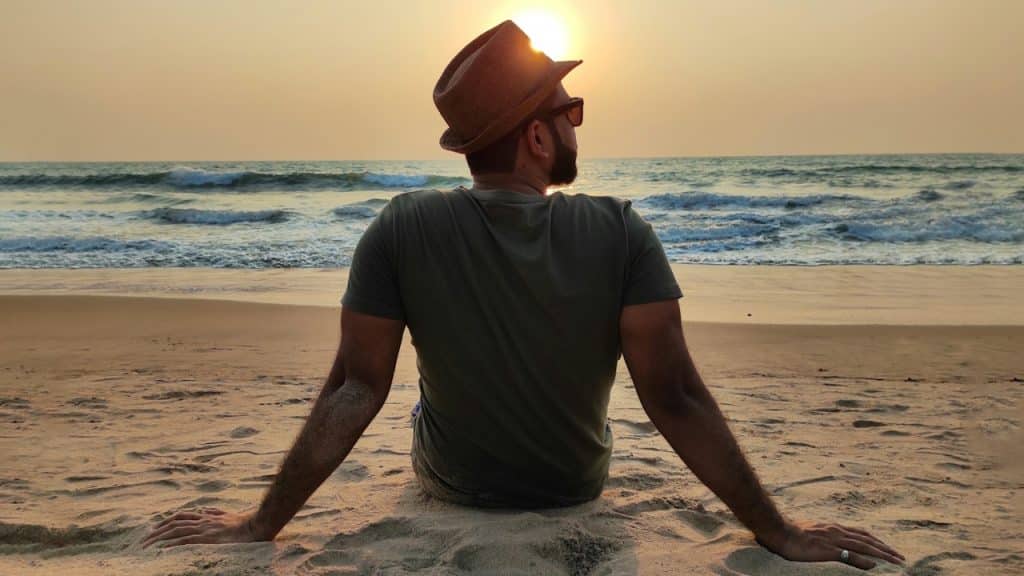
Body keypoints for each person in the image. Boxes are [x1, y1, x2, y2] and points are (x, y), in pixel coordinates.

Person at [143, 20, 904, 571]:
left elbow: (353, 387)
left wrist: (261, 523)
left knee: (419, 398)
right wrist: (777, 528)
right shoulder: (621, 232)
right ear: (537, 140)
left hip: (454, 484)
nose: (577, 124)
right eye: (569, 112)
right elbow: (675, 398)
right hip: (572, 486)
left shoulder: (402, 226)